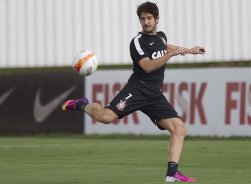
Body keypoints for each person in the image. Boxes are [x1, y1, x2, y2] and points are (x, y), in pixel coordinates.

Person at [61, 1, 205, 182]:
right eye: (142, 19)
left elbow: (165, 45)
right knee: (105, 117)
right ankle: (83, 104)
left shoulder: (161, 37)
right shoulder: (137, 42)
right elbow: (148, 67)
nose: (146, 22)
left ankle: (172, 174)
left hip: (154, 95)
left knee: (179, 128)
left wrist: (189, 50)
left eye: (149, 18)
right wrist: (171, 54)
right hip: (137, 89)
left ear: (157, 19)